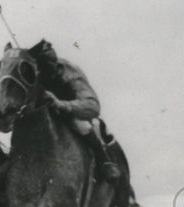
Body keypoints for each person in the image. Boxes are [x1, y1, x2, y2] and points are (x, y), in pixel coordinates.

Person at [31, 40, 121, 180]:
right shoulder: (34, 73)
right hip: (45, 114)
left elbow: (92, 106)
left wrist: (62, 104)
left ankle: (104, 161)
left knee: (82, 125)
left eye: (47, 70)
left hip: (73, 113)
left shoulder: (71, 73)